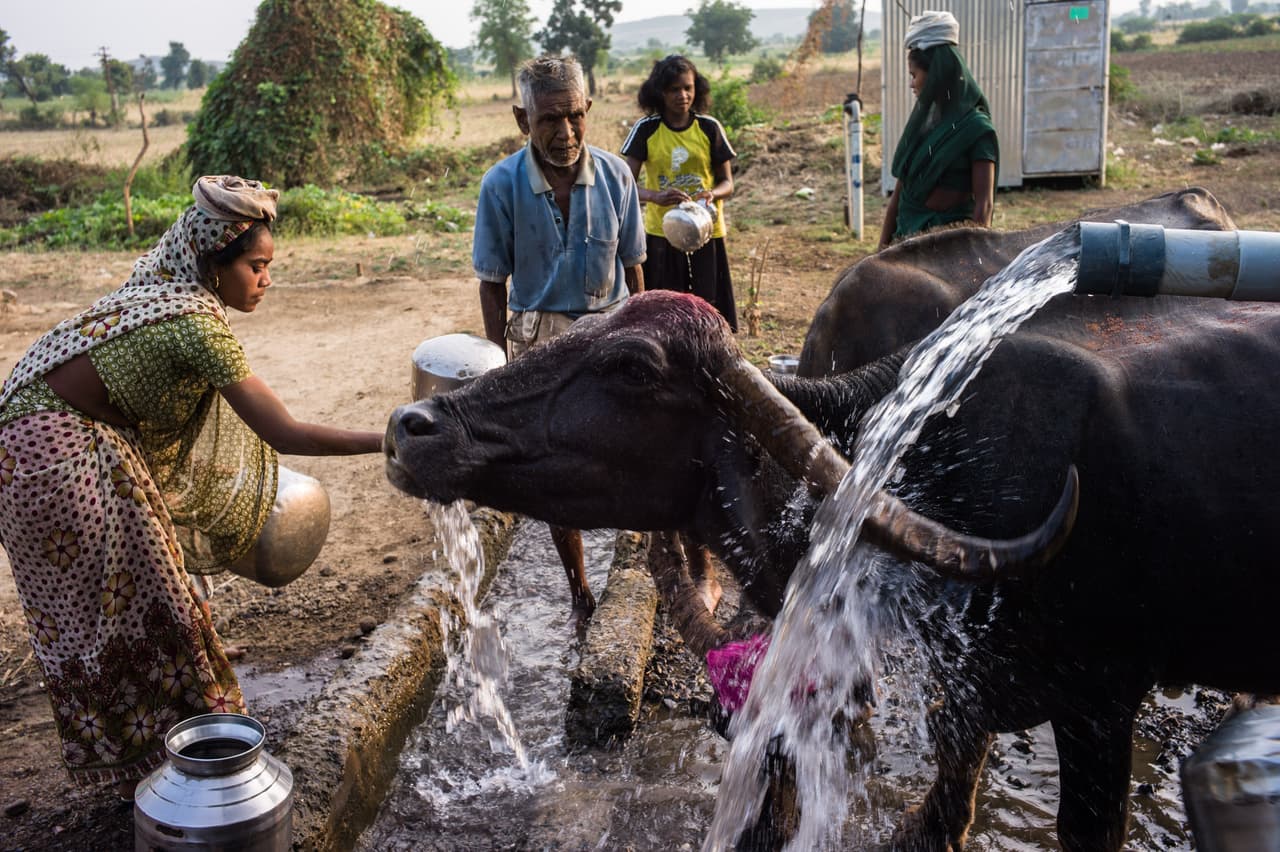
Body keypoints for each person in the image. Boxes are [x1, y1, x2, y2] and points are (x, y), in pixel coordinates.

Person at [0, 175, 383, 798]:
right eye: (257, 267)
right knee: (128, 607)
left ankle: (169, 747)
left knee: (157, 586)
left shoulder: (164, 281)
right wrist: (390, 438)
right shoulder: (193, 322)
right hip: (52, 454)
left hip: (33, 436)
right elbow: (282, 431)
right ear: (215, 262)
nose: (266, 280)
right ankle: (167, 764)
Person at [473, 55, 646, 617]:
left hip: (612, 327)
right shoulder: (500, 186)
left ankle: (635, 560)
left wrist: (644, 327)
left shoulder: (618, 177)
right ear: (523, 120)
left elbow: (634, 266)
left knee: (630, 448)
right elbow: (492, 281)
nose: (565, 131)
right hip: (540, 334)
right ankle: (579, 589)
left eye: (574, 115)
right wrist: (500, 363)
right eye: (549, 119)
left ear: (588, 110)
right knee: (556, 467)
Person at [621, 54, 738, 331]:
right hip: (662, 234)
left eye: (688, 87)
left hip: (706, 231)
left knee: (709, 309)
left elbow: (728, 183)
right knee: (665, 312)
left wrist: (711, 194)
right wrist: (655, 197)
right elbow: (624, 186)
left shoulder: (709, 128)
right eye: (674, 89)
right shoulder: (646, 130)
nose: (683, 95)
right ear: (659, 92)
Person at [879, 10, 999, 250]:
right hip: (905, 242)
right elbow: (898, 197)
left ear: (937, 74)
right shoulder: (923, 126)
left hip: (947, 248)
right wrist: (881, 251)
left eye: (915, 75)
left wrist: (973, 260)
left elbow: (983, 206)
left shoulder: (977, 130)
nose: (911, 83)